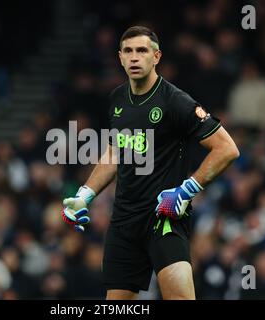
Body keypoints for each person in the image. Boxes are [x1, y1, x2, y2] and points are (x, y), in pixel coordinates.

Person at [61, 26, 240, 300]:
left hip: (163, 219)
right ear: (120, 58)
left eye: (142, 51)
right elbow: (115, 152)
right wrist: (85, 194)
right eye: (128, 51)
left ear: (156, 57)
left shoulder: (175, 101)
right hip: (123, 222)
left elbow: (227, 149)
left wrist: (186, 191)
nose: (134, 57)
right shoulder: (117, 99)